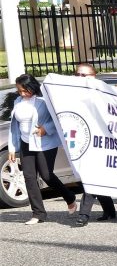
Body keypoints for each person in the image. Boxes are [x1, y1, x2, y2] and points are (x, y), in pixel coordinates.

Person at [8, 74, 77, 225]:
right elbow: (14, 126)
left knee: (46, 175)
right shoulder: (18, 101)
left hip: (44, 143)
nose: (22, 94)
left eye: (25, 90)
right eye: (19, 91)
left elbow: (58, 119)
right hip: (26, 143)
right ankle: (38, 213)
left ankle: (69, 197)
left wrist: (46, 129)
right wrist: (12, 148)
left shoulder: (44, 101)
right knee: (29, 177)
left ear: (31, 87)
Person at [72, 63, 117, 226]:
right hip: (82, 141)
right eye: (77, 75)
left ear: (94, 76)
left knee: (91, 176)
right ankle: (110, 210)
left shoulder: (102, 92)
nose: (80, 78)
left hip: (101, 142)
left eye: (84, 75)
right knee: (94, 176)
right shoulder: (70, 94)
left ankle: (84, 214)